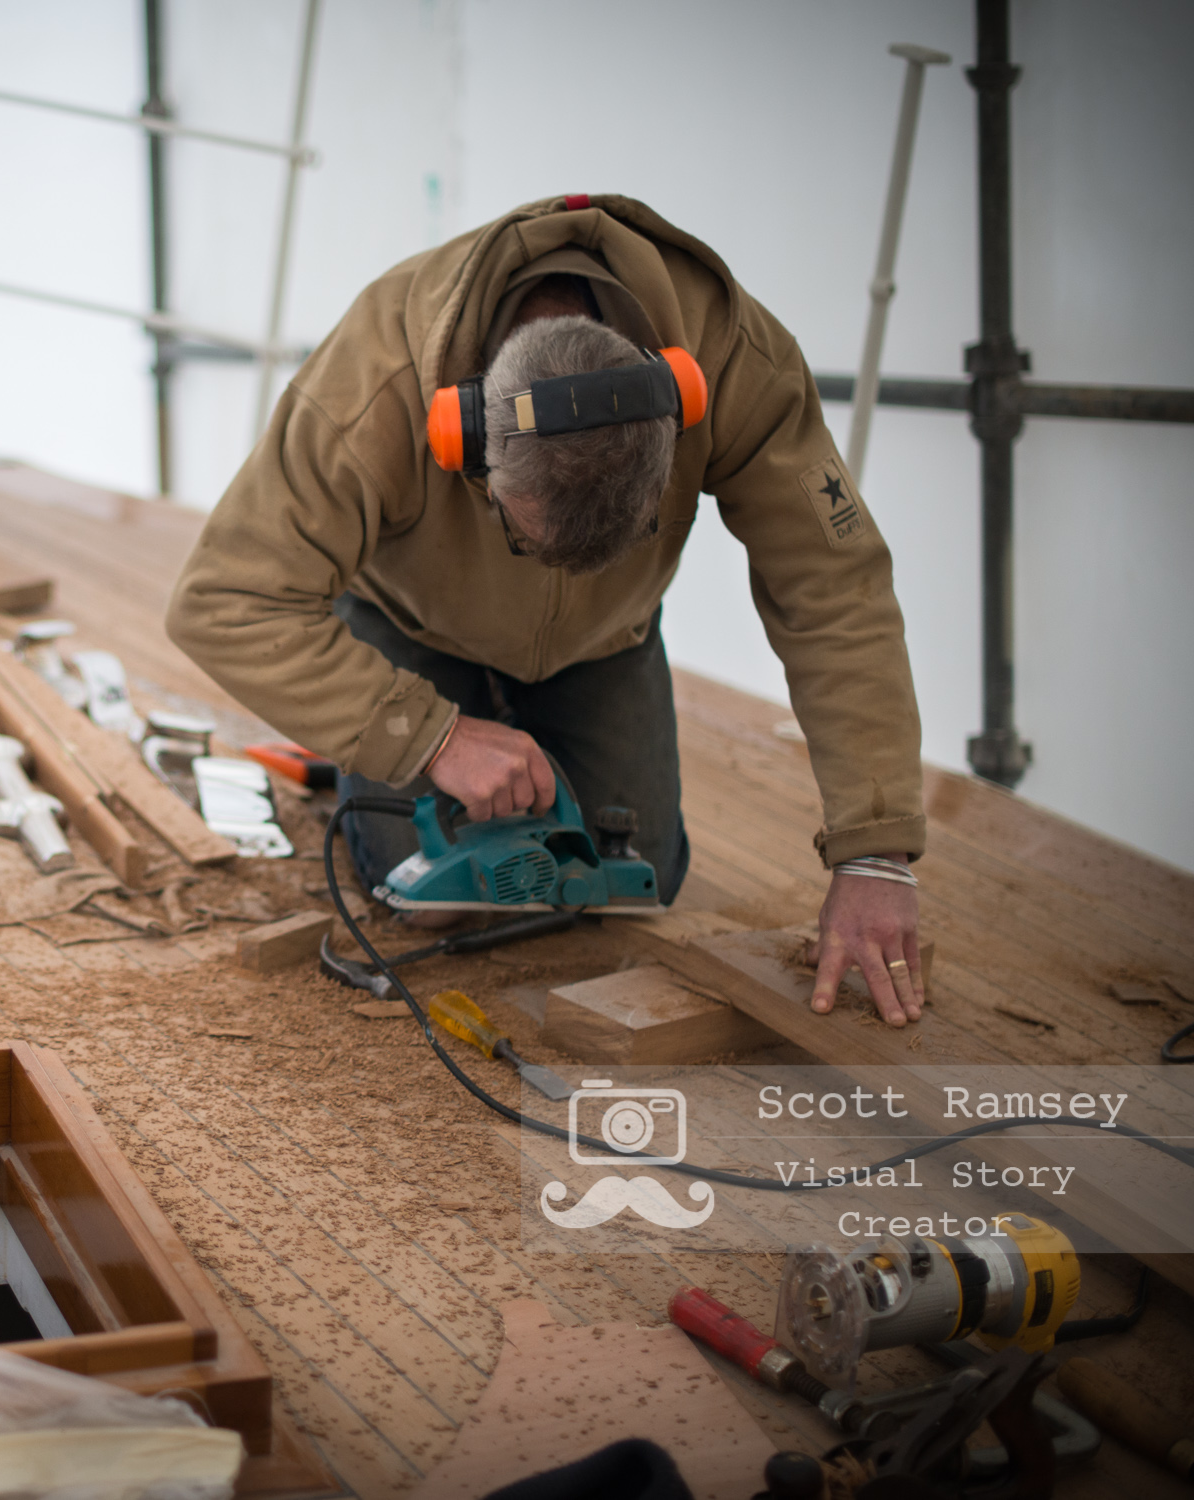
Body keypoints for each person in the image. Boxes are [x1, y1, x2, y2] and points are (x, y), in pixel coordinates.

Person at [166, 194, 926, 1025]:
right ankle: (371, 753)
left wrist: (877, 852)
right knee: (421, 892)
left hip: (606, 637)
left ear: (683, 400)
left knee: (638, 879)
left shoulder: (740, 360)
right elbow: (223, 599)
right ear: (464, 440)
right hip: (412, 621)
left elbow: (836, 591)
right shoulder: (373, 382)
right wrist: (431, 735)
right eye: (524, 538)